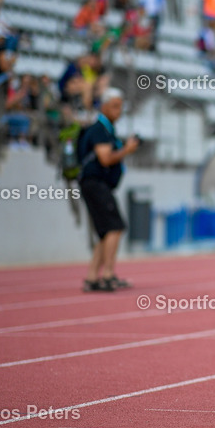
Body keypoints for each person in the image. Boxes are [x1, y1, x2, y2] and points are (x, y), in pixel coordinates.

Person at [78, 88, 139, 292]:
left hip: (96, 184)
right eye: (114, 106)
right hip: (95, 183)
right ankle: (108, 275)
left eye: (120, 106)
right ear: (103, 107)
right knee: (115, 227)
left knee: (106, 232)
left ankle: (92, 277)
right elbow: (105, 158)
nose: (119, 111)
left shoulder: (107, 130)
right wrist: (126, 150)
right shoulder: (99, 130)